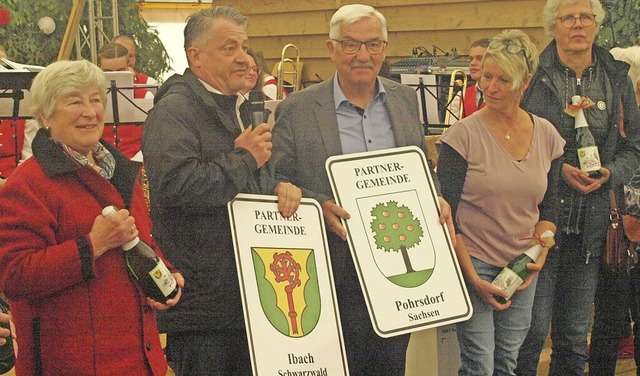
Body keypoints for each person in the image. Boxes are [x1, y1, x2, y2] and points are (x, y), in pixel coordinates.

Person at [268, 4, 454, 375]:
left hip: (397, 259)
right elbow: (277, 176)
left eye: (373, 44)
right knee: (344, 363)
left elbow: (416, 166)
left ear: (385, 49)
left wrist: (433, 194)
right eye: (351, 44)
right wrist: (318, 202)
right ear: (331, 48)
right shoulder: (297, 108)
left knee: (390, 363)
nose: (362, 55)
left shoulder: (403, 100)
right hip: (334, 260)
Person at [141, 6, 301, 375]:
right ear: (195, 56)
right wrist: (243, 158)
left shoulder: (237, 106)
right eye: (229, 48)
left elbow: (244, 179)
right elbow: (176, 185)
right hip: (204, 305)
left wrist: (277, 185)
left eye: (244, 47)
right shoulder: (176, 110)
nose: (243, 58)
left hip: (248, 294)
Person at [0, 59, 184, 375]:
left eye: (95, 100)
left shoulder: (123, 171)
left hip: (138, 358)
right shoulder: (27, 184)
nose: (90, 111)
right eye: (74, 102)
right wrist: (92, 245)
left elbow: (141, 243)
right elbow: (16, 276)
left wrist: (165, 273)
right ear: (45, 115)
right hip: (71, 363)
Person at [514, 1, 640, 375]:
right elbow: (515, 142)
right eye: (568, 17)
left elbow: (635, 145)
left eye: (586, 17)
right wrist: (559, 169)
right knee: (531, 332)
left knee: (571, 336)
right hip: (538, 223)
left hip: (592, 225)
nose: (578, 25)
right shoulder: (532, 75)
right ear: (553, 27)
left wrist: (610, 172)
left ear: (597, 25)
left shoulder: (615, 76)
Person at [437, 29, 564, 375]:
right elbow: (447, 216)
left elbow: (549, 210)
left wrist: (539, 252)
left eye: (503, 80)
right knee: (480, 362)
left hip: (522, 265)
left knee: (509, 359)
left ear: (525, 84)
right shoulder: (461, 136)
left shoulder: (548, 135)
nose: (490, 87)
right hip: (473, 260)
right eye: (487, 77)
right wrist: (470, 276)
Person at [97, 42, 152, 159]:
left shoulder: (146, 95)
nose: (114, 78)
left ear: (129, 66)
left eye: (120, 71)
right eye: (107, 72)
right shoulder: (90, 100)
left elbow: (154, 138)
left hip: (136, 162)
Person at [448, 38, 489, 122]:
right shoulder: (460, 96)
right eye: (471, 59)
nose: (473, 63)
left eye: (479, 58)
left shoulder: (502, 95)